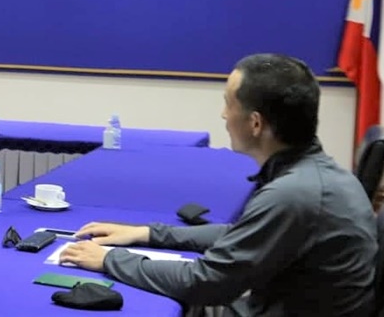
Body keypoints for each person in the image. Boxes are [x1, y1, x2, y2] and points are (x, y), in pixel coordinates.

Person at [60, 53, 377, 316]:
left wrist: (109, 259)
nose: (224, 114)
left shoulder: (293, 195)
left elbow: (207, 282)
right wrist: (148, 234)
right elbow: (241, 234)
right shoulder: (314, 175)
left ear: (255, 123)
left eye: (228, 103)